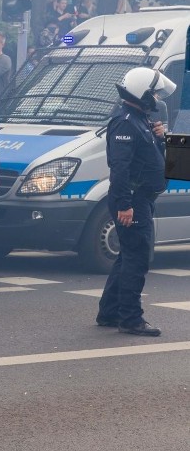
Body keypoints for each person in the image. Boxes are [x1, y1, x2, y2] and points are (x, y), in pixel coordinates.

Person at [96, 67, 175, 336]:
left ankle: (109, 312)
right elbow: (120, 168)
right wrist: (124, 205)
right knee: (136, 259)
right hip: (134, 201)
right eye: (153, 92)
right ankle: (130, 318)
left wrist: (161, 139)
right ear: (142, 93)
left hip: (140, 199)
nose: (156, 97)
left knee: (126, 258)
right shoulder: (126, 123)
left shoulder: (140, 120)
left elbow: (148, 157)